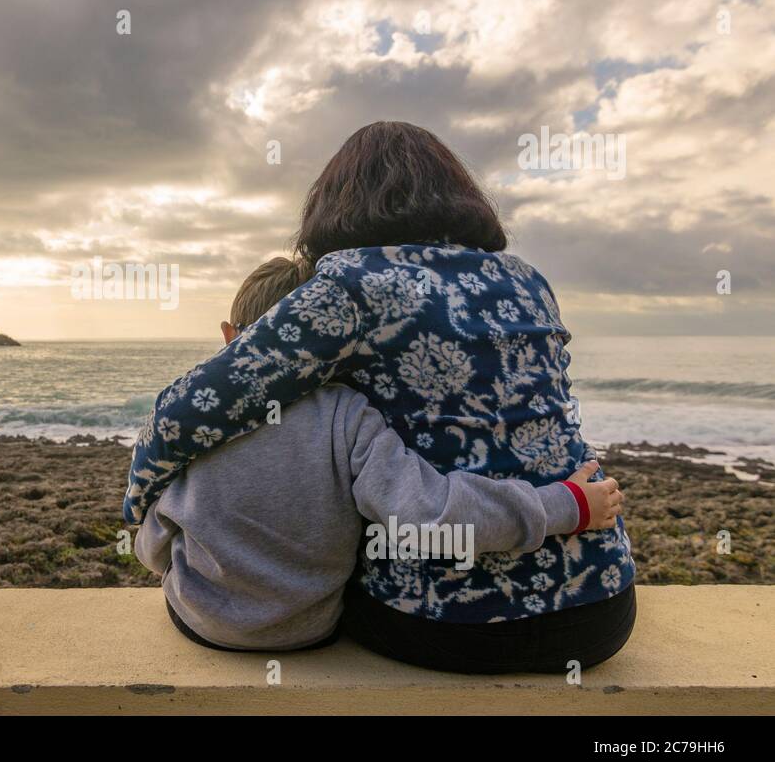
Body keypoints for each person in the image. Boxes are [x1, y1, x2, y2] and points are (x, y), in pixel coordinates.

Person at [126, 121, 636, 672]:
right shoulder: (527, 279)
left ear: (334, 204)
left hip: (451, 624)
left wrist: (141, 502)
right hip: (602, 606)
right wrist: (570, 504)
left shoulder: (348, 283)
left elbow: (189, 412)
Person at [133, 255, 623, 653]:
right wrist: (566, 504)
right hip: (307, 632)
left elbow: (153, 544)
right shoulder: (345, 414)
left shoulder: (197, 417)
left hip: (203, 623)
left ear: (229, 337)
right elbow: (432, 513)